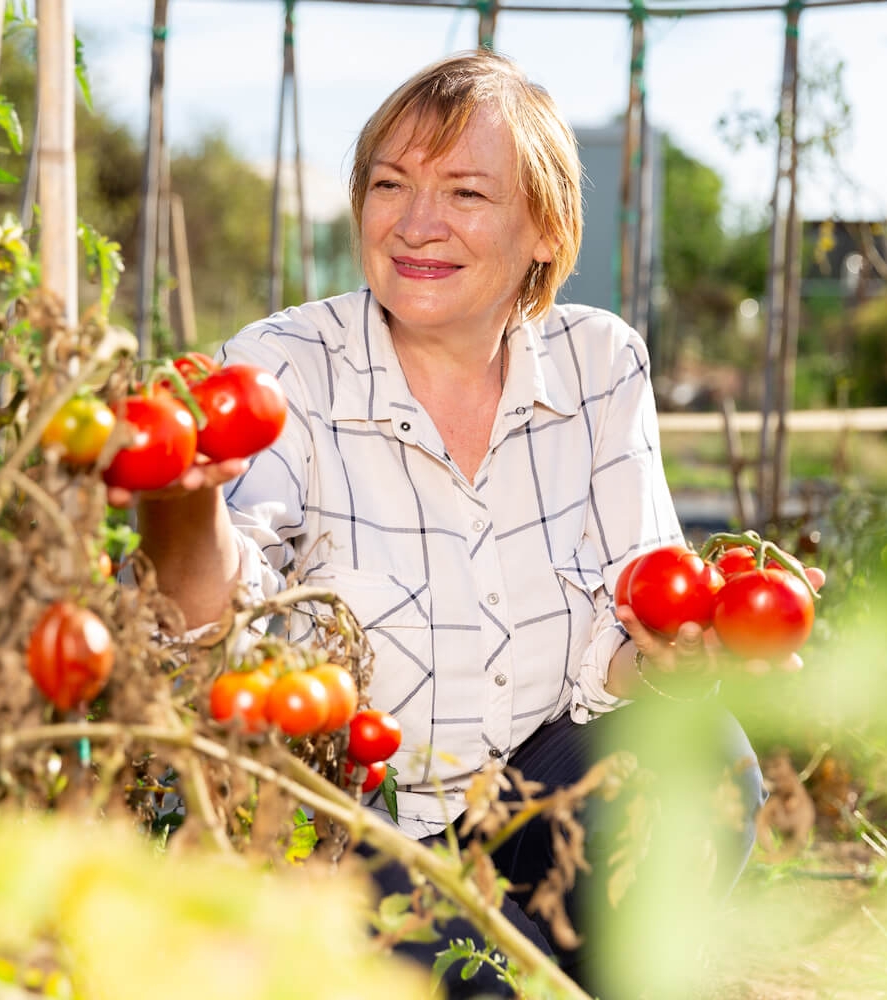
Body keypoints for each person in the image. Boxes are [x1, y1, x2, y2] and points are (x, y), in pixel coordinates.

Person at [113, 50, 812, 998]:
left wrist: (677, 655)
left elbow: (627, 642)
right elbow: (209, 633)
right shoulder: (285, 366)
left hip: (531, 791)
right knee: (474, 976)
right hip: (354, 819)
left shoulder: (600, 365)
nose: (415, 223)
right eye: (390, 185)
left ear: (543, 228)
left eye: (466, 193)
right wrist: (183, 502)